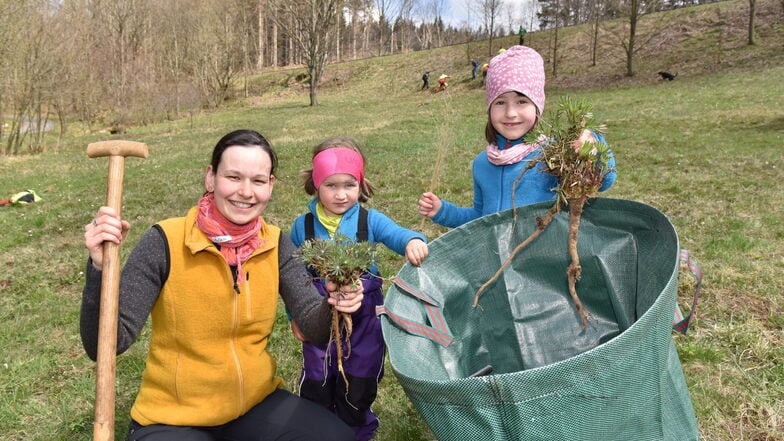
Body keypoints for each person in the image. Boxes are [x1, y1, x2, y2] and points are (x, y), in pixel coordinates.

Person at [80, 129, 363, 441]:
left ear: (270, 185)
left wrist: (332, 303)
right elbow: (104, 345)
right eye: (233, 177)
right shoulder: (165, 242)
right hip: (174, 419)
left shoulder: (276, 244)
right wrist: (99, 268)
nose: (246, 191)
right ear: (210, 178)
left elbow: (313, 325)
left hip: (255, 405)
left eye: (258, 180)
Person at [289, 137, 429, 441]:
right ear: (315, 185)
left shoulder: (370, 220)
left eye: (349, 185)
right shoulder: (303, 226)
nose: (341, 195)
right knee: (318, 376)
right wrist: (296, 315)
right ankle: (317, 427)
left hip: (364, 318)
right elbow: (291, 275)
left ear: (361, 184)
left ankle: (356, 429)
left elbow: (396, 234)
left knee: (361, 377)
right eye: (331, 186)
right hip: (319, 315)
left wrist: (412, 241)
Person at [418, 45, 617, 228]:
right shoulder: (482, 164)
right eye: (500, 102)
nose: (510, 113)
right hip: (498, 262)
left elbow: (605, 181)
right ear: (489, 107)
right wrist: (441, 211)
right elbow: (480, 219)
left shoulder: (552, 155)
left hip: (542, 261)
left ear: (537, 107)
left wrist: (592, 145)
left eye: (522, 101)